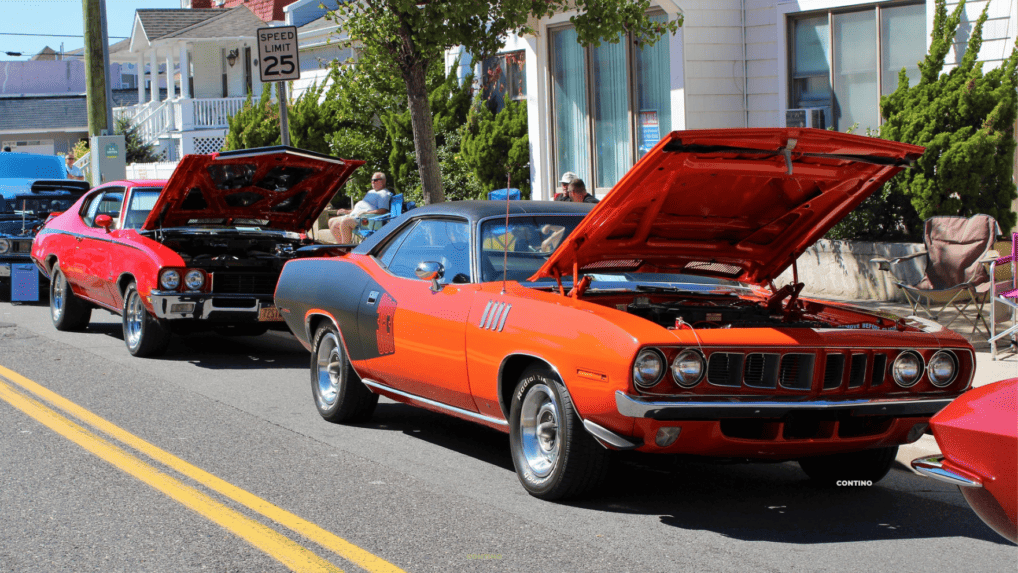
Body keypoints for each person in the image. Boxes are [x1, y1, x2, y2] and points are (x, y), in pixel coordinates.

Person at [328, 172, 392, 243]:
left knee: (345, 222)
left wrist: (366, 213)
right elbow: (361, 208)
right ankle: (341, 248)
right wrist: (348, 211)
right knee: (331, 221)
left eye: (375, 180)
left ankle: (346, 247)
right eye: (372, 180)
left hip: (368, 221)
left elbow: (383, 211)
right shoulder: (371, 192)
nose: (373, 182)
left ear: (383, 181)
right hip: (357, 217)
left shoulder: (383, 194)